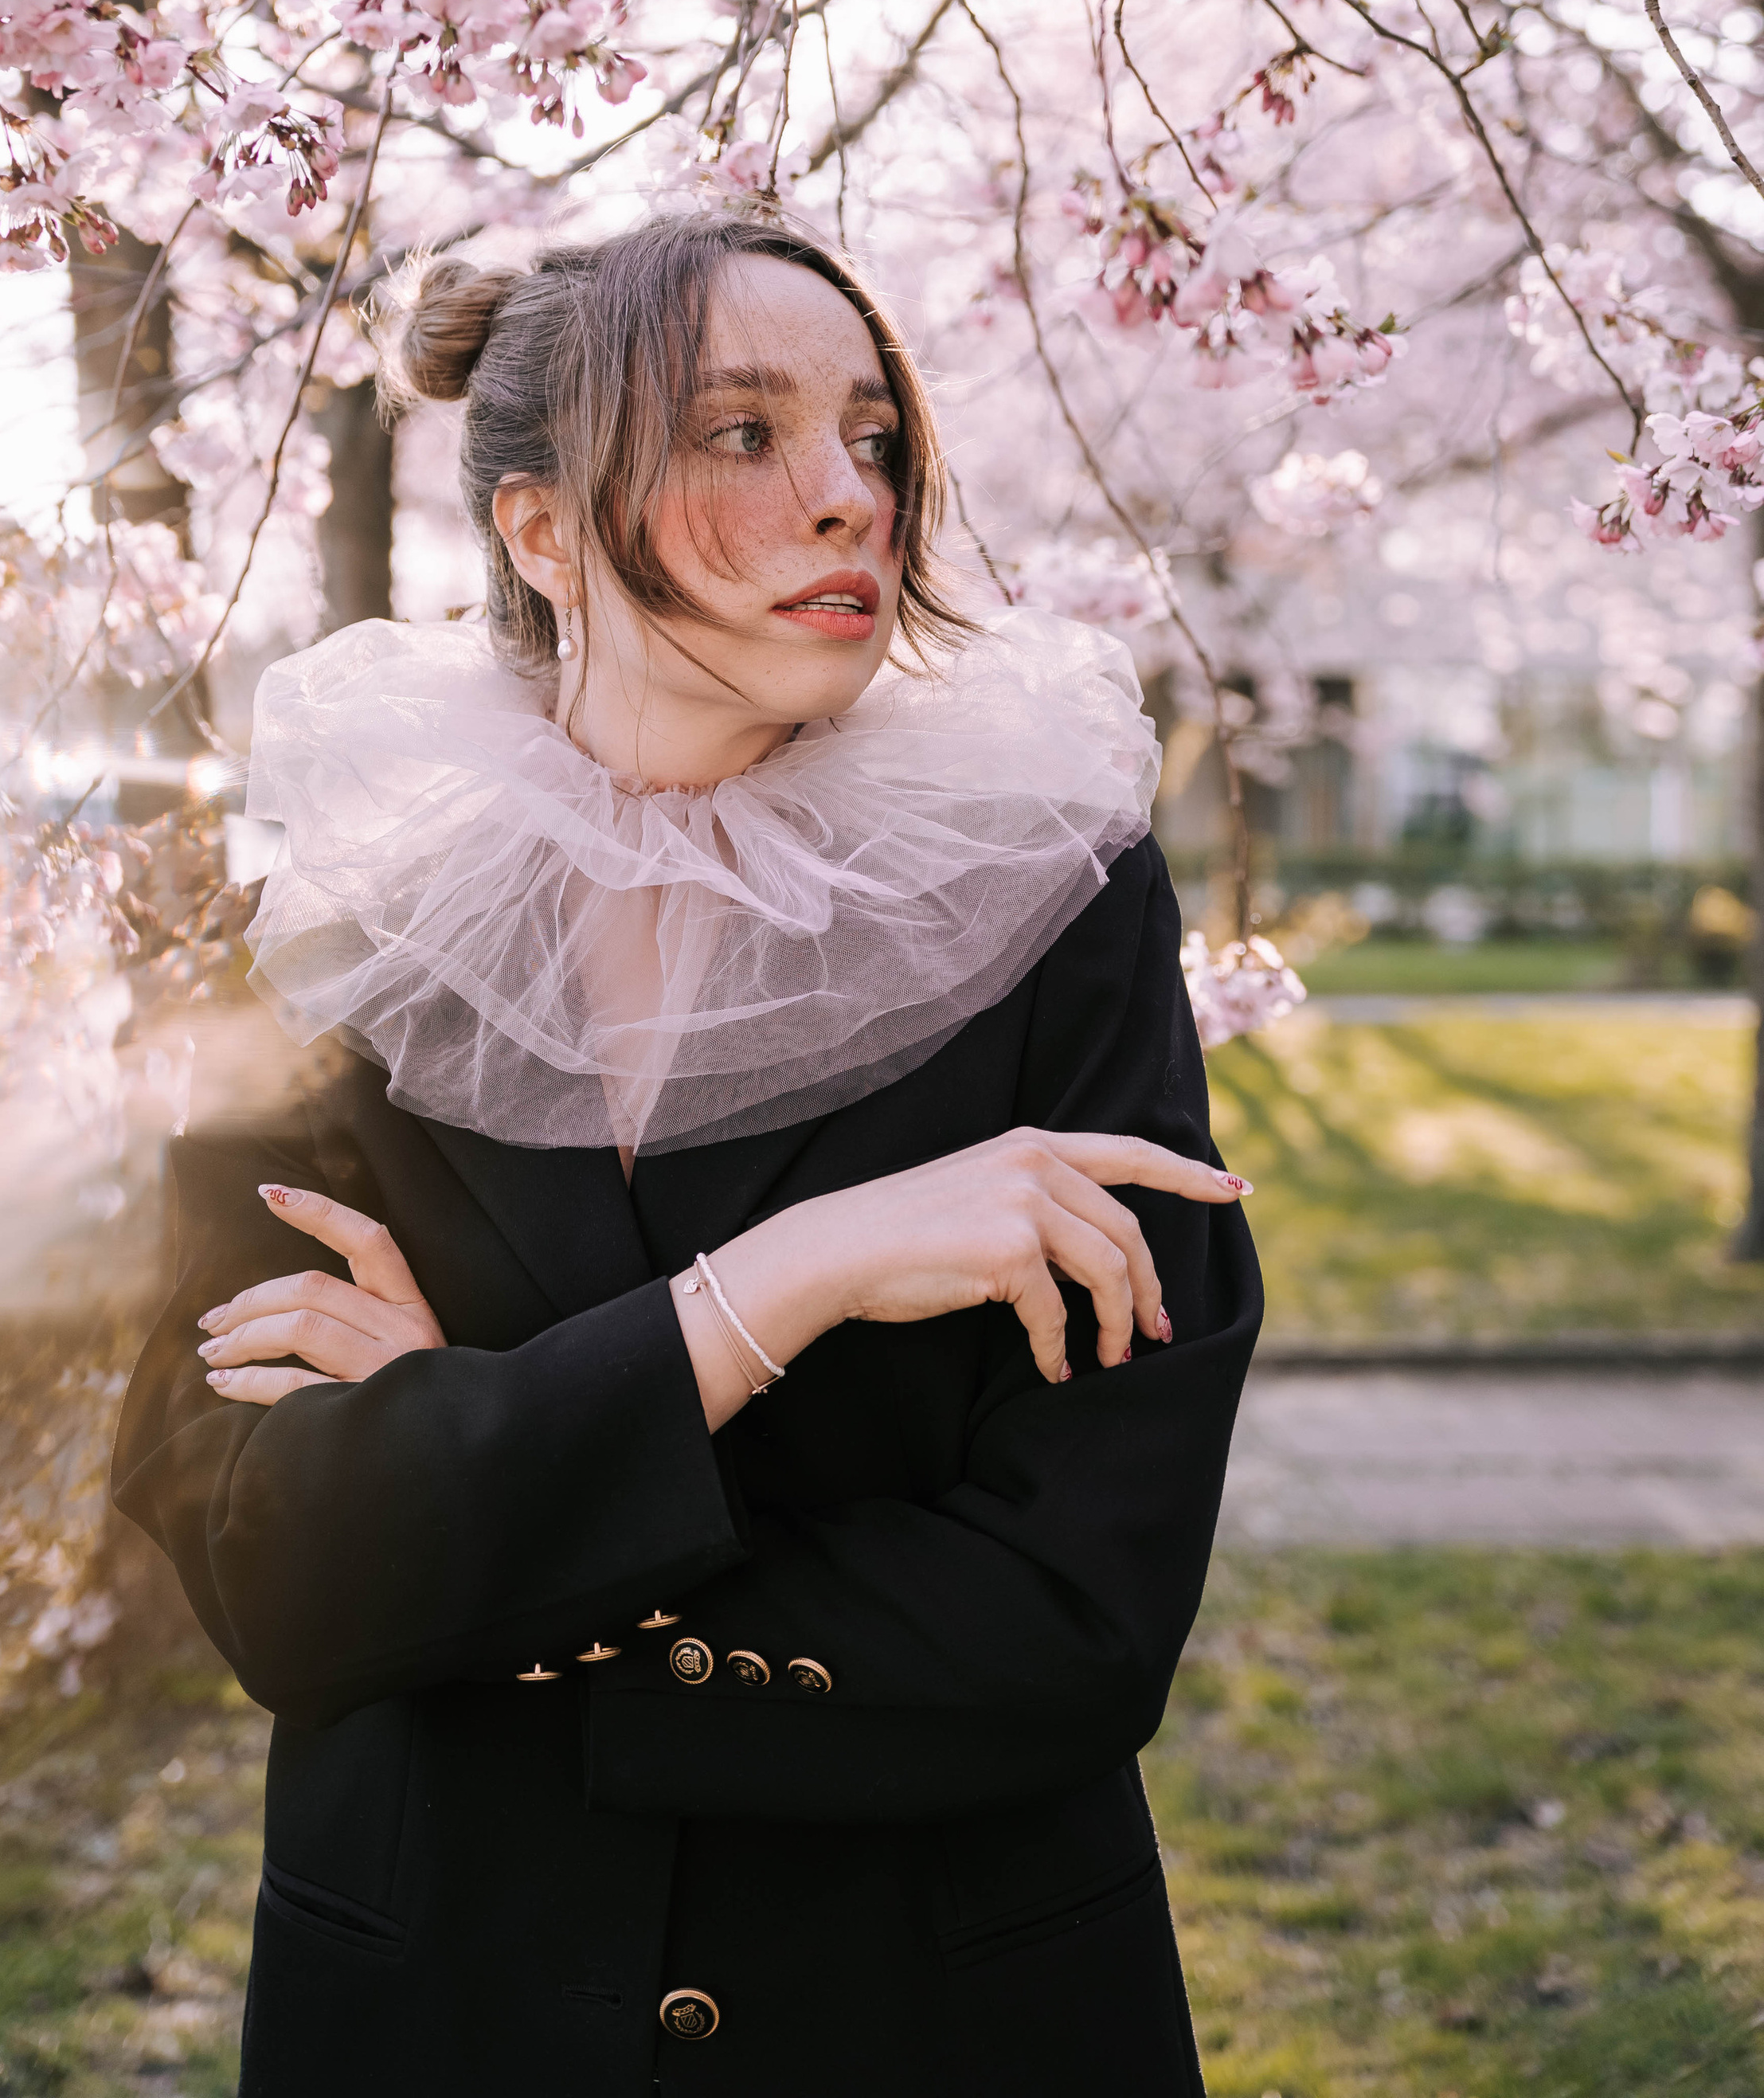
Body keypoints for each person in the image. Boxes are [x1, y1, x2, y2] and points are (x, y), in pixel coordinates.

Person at [113, 209, 1261, 2097]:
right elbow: (269, 1560)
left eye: (872, 436)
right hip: (443, 2004)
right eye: (743, 433)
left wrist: (477, 1494)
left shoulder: (1053, 899)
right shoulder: (339, 928)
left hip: (932, 2012)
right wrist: (776, 1288)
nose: (845, 499)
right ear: (544, 529)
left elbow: (1078, 1615)